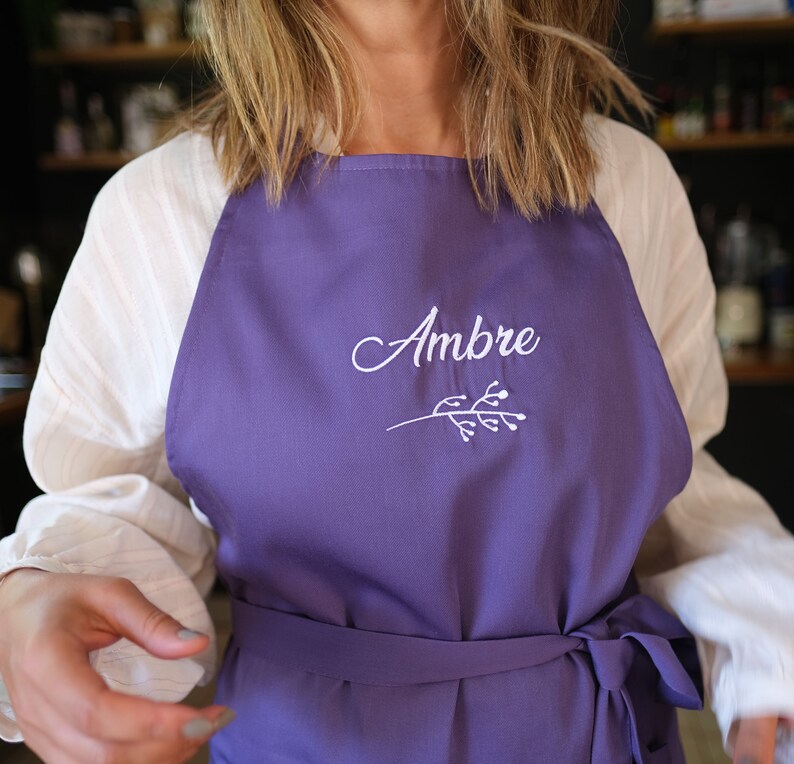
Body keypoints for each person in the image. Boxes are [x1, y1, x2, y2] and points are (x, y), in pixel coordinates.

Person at [0, 0, 793, 762]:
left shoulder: (629, 186)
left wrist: (769, 649)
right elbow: (128, 508)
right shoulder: (162, 213)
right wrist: (36, 595)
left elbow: (671, 491)